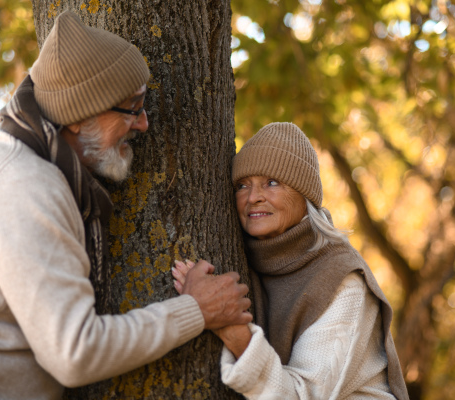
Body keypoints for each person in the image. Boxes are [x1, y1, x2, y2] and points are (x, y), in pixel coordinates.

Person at [0, 11, 251, 399]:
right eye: (131, 107)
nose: (144, 123)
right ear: (78, 117)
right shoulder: (24, 185)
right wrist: (196, 310)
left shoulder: (30, 167)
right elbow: (75, 353)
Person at [173, 122, 410, 399]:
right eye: (242, 185)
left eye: (272, 183)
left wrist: (229, 326)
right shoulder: (248, 256)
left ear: (304, 195)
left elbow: (302, 395)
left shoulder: (341, 279)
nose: (253, 198)